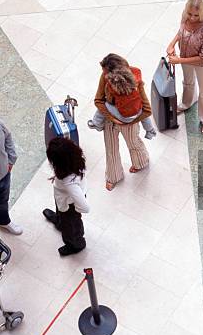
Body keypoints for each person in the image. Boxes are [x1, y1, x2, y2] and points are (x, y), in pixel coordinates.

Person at [94, 53, 151, 191]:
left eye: (105, 72)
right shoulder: (105, 77)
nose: (103, 74)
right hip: (110, 120)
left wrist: (130, 122)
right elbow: (98, 100)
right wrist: (113, 118)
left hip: (130, 121)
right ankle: (113, 177)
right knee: (111, 148)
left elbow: (147, 110)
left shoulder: (136, 79)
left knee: (134, 143)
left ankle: (141, 163)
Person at [166, 0, 203, 135]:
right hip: (184, 57)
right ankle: (187, 103)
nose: (192, 18)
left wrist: (179, 60)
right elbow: (181, 32)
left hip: (202, 64)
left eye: (196, 15)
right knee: (188, 82)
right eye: (190, 14)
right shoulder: (185, 16)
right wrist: (172, 44)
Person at [42, 137, 89, 256]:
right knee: (63, 215)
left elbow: (85, 207)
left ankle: (76, 244)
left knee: (71, 227)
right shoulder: (74, 162)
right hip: (63, 200)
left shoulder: (69, 182)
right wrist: (57, 177)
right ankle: (60, 222)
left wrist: (75, 211)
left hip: (69, 205)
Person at [88, 62, 156, 140]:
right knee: (144, 114)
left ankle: (97, 124)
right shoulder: (136, 86)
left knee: (105, 105)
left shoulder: (115, 90)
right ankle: (150, 130)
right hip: (137, 112)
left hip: (124, 117)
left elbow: (104, 101)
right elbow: (147, 111)